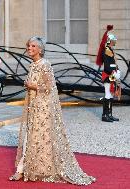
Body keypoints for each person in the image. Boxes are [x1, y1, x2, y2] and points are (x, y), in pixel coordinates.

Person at [8, 36, 96, 185]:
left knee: (40, 137)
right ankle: (25, 169)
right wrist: (29, 84)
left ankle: (31, 169)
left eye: (33, 46)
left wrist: (32, 86)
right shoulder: (33, 64)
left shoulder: (45, 65)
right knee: (30, 137)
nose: (29, 48)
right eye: (29, 46)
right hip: (33, 106)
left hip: (43, 107)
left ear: (40, 50)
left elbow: (50, 87)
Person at [96, 26, 120, 122]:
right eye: (113, 40)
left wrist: (117, 70)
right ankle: (104, 115)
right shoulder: (106, 51)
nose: (114, 42)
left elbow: (113, 64)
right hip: (108, 75)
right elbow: (107, 66)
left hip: (112, 74)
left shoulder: (110, 51)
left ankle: (109, 114)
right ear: (109, 41)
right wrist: (114, 72)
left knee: (110, 94)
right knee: (107, 94)